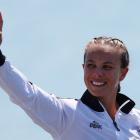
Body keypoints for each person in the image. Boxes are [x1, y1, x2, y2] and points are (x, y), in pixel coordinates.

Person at [0, 12, 140, 140]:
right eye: (91, 65)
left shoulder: (136, 120)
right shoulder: (68, 114)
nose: (97, 73)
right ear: (83, 68)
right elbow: (28, 95)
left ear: (123, 73)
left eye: (107, 67)